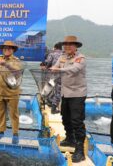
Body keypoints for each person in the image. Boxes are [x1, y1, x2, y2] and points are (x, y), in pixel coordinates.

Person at [51, 35, 87, 163]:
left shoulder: (80, 59)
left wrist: (58, 69)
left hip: (78, 94)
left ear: (76, 46)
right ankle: (70, 139)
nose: (67, 47)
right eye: (65, 45)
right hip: (64, 93)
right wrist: (53, 69)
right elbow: (55, 67)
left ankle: (80, 150)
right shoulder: (61, 57)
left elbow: (74, 69)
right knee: (65, 117)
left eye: (70, 45)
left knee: (77, 121)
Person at [0, 41, 23, 144]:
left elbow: (18, 71)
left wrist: (5, 64)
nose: (7, 50)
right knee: (0, 113)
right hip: (0, 92)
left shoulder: (16, 61)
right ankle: (1, 131)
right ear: (2, 50)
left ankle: (15, 133)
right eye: (5, 48)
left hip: (12, 92)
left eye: (9, 48)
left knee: (14, 114)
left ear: (13, 50)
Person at [42, 42, 63, 114]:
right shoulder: (64, 54)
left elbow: (48, 62)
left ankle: (51, 106)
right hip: (64, 75)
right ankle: (55, 105)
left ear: (55, 47)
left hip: (53, 74)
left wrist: (45, 66)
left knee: (50, 87)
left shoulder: (52, 54)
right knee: (59, 91)